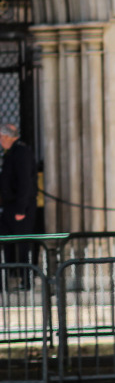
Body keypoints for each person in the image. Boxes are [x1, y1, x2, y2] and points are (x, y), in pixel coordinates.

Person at [0, 123, 36, 290]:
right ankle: (8, 277)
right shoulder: (11, 152)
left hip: (20, 209)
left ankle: (26, 279)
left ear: (7, 137)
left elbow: (25, 183)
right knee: (6, 242)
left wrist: (21, 209)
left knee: (23, 244)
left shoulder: (21, 152)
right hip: (10, 207)